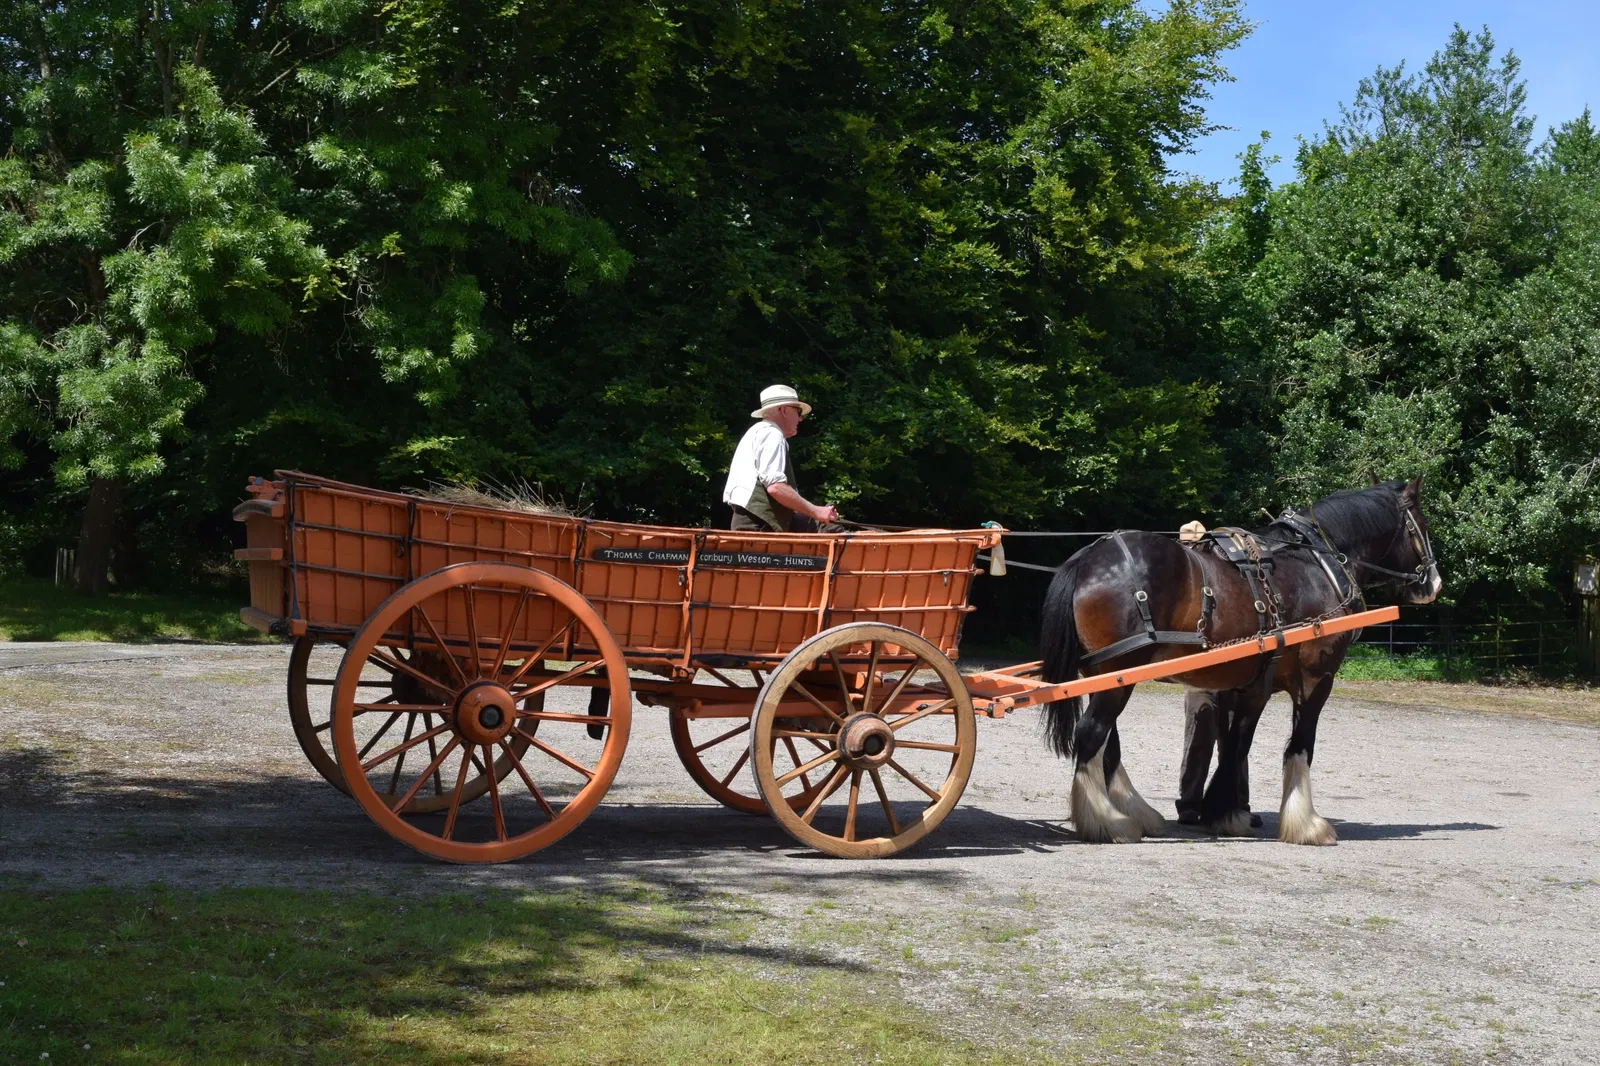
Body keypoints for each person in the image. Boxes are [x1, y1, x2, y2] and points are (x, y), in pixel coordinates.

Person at [723, 384, 842, 532]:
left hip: (756, 524)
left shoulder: (757, 433)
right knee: (834, 533)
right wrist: (816, 511)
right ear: (784, 410)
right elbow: (776, 487)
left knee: (825, 527)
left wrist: (816, 513)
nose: (800, 419)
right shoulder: (772, 434)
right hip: (760, 528)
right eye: (798, 412)